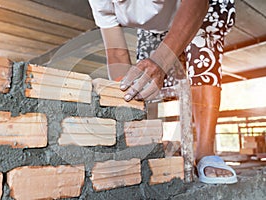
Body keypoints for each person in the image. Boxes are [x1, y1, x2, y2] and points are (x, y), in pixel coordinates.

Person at [88, 0, 237, 184]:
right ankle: (154, 143)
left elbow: (197, 4)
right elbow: (117, 55)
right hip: (156, 25)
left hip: (203, 6)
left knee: (201, 46)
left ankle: (205, 152)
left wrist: (161, 62)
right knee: (144, 75)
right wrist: (124, 102)